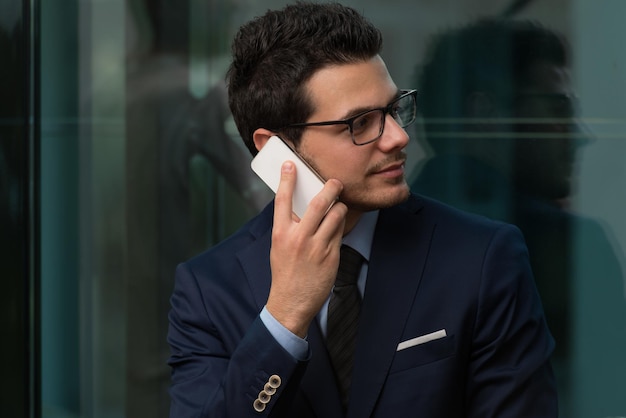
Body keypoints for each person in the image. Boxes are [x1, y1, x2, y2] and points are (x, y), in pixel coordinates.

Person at [167, 3, 557, 417]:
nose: (397, 136)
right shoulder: (208, 290)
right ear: (274, 147)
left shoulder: (482, 258)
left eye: (393, 110)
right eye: (360, 123)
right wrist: (284, 317)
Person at [410, 19, 626, 417]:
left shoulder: (376, 232)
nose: (579, 134)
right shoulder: (569, 246)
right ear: (485, 112)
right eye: (558, 107)